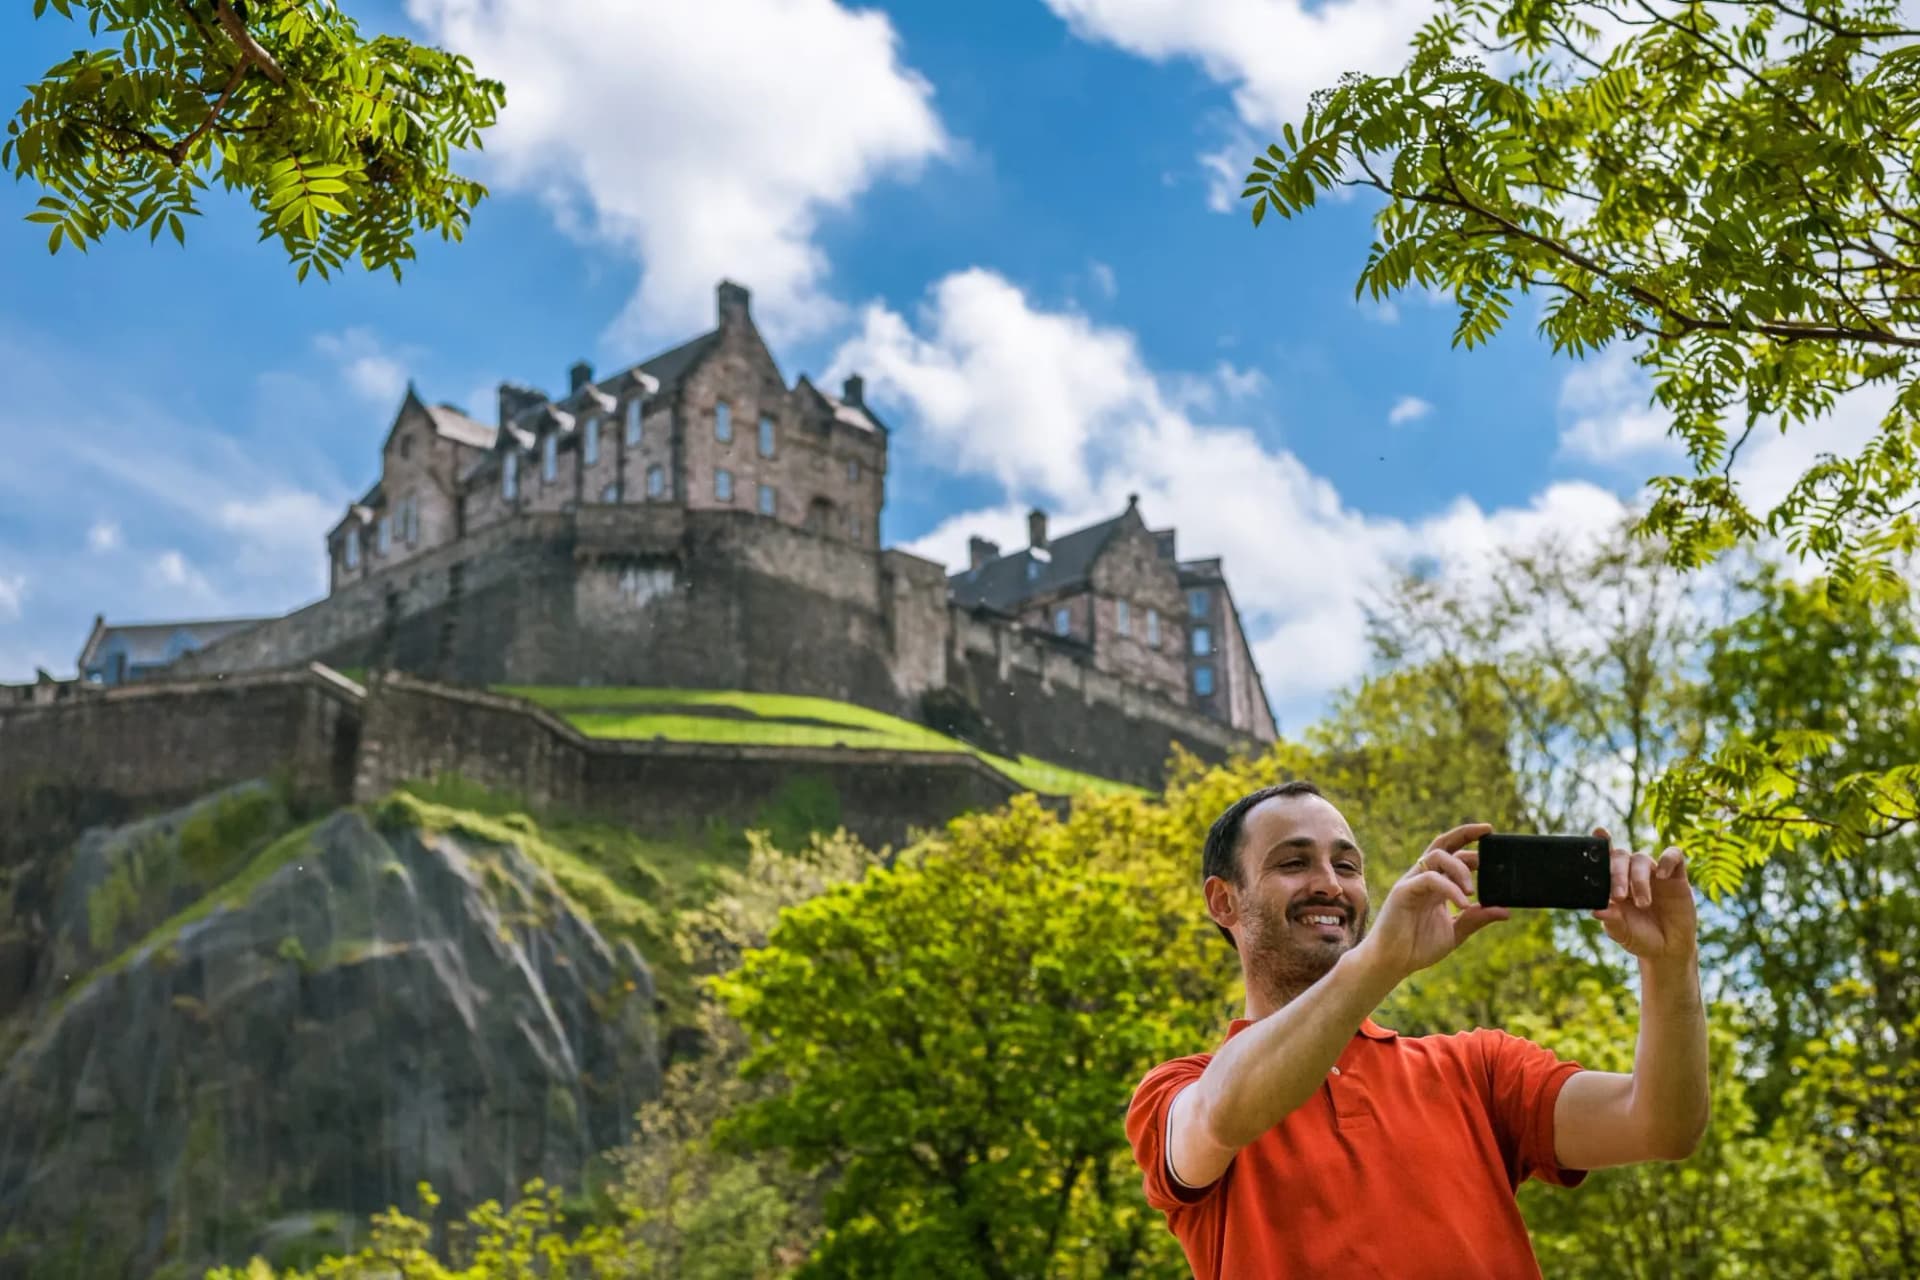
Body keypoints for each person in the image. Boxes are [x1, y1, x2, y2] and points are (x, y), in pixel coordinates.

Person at [1125, 780, 1709, 1278]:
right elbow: (1224, 1113)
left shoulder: (1477, 1069)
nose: (1330, 883)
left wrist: (1670, 962)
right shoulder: (1179, 1090)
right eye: (1293, 862)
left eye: (1347, 865)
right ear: (1223, 901)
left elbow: (1662, 1124)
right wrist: (1380, 961)